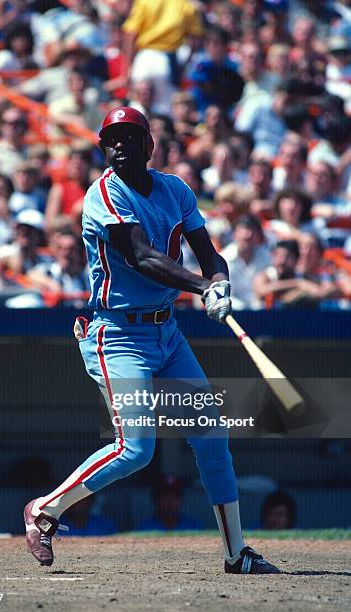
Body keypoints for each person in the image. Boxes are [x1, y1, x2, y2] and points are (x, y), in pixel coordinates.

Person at [24, 106, 280, 575]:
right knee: (136, 448)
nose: (118, 145)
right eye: (111, 139)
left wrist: (220, 281)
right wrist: (203, 288)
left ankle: (235, 552)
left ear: (149, 145)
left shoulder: (175, 189)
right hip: (116, 333)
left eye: (128, 136)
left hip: (167, 332)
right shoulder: (102, 193)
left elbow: (208, 252)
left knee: (212, 438)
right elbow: (141, 258)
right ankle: (44, 510)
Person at [137, 475, 202, 531]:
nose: (169, 501)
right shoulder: (144, 529)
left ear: (180, 500)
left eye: (174, 496)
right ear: (156, 500)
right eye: (164, 496)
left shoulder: (193, 528)